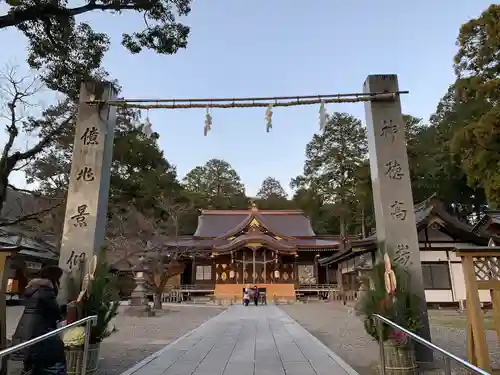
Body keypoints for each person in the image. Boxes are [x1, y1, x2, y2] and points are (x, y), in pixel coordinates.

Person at [14, 265, 67, 375]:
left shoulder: (34, 289)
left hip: (28, 331)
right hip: (41, 333)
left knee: (33, 364)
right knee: (53, 362)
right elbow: (56, 313)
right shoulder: (46, 291)